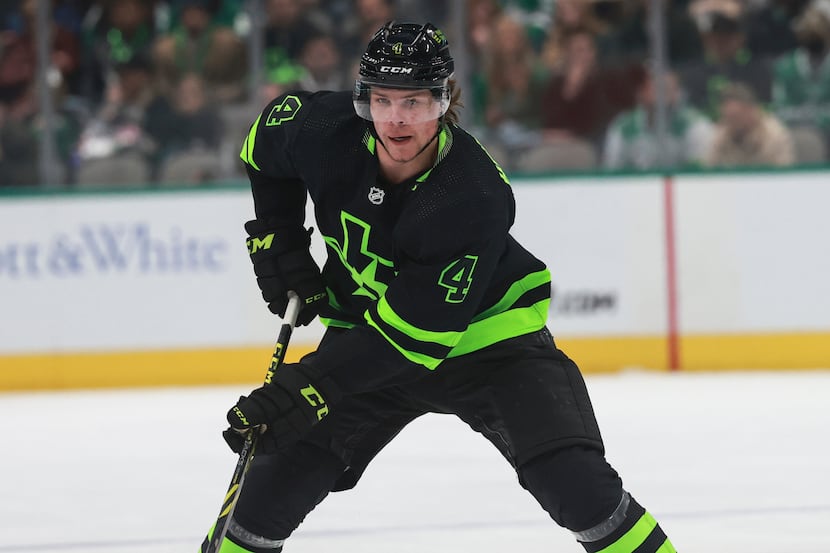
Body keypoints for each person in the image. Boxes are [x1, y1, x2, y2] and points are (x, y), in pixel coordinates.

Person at [200, 21, 678, 553]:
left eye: (414, 102)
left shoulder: (471, 195)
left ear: (444, 101)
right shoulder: (324, 130)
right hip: (367, 336)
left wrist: (307, 385)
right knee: (265, 497)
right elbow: (264, 141)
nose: (397, 119)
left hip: (488, 347)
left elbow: (415, 337)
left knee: (576, 486)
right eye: (382, 100)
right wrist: (277, 235)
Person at [705, 81, 795, 168]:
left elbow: (783, 176)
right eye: (727, 118)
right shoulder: (721, 135)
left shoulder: (774, 135)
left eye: (735, 117)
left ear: (752, 111)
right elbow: (710, 173)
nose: (731, 124)